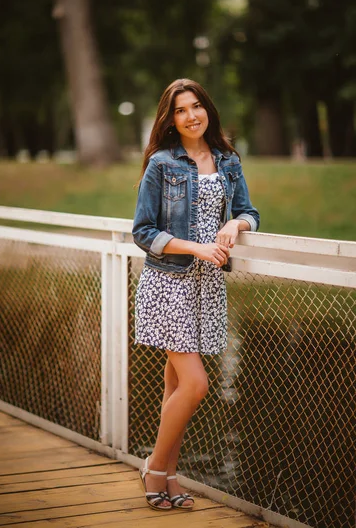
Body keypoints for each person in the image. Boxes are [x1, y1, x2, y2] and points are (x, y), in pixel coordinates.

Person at [132, 78, 260, 511]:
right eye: (180, 110)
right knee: (197, 384)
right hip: (169, 283)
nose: (191, 116)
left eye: (196, 106)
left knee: (177, 389)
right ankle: (153, 467)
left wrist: (234, 225)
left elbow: (249, 212)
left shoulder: (227, 161)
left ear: (208, 109)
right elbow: (143, 232)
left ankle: (167, 475)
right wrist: (196, 246)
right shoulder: (162, 164)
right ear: (170, 119)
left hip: (208, 288)